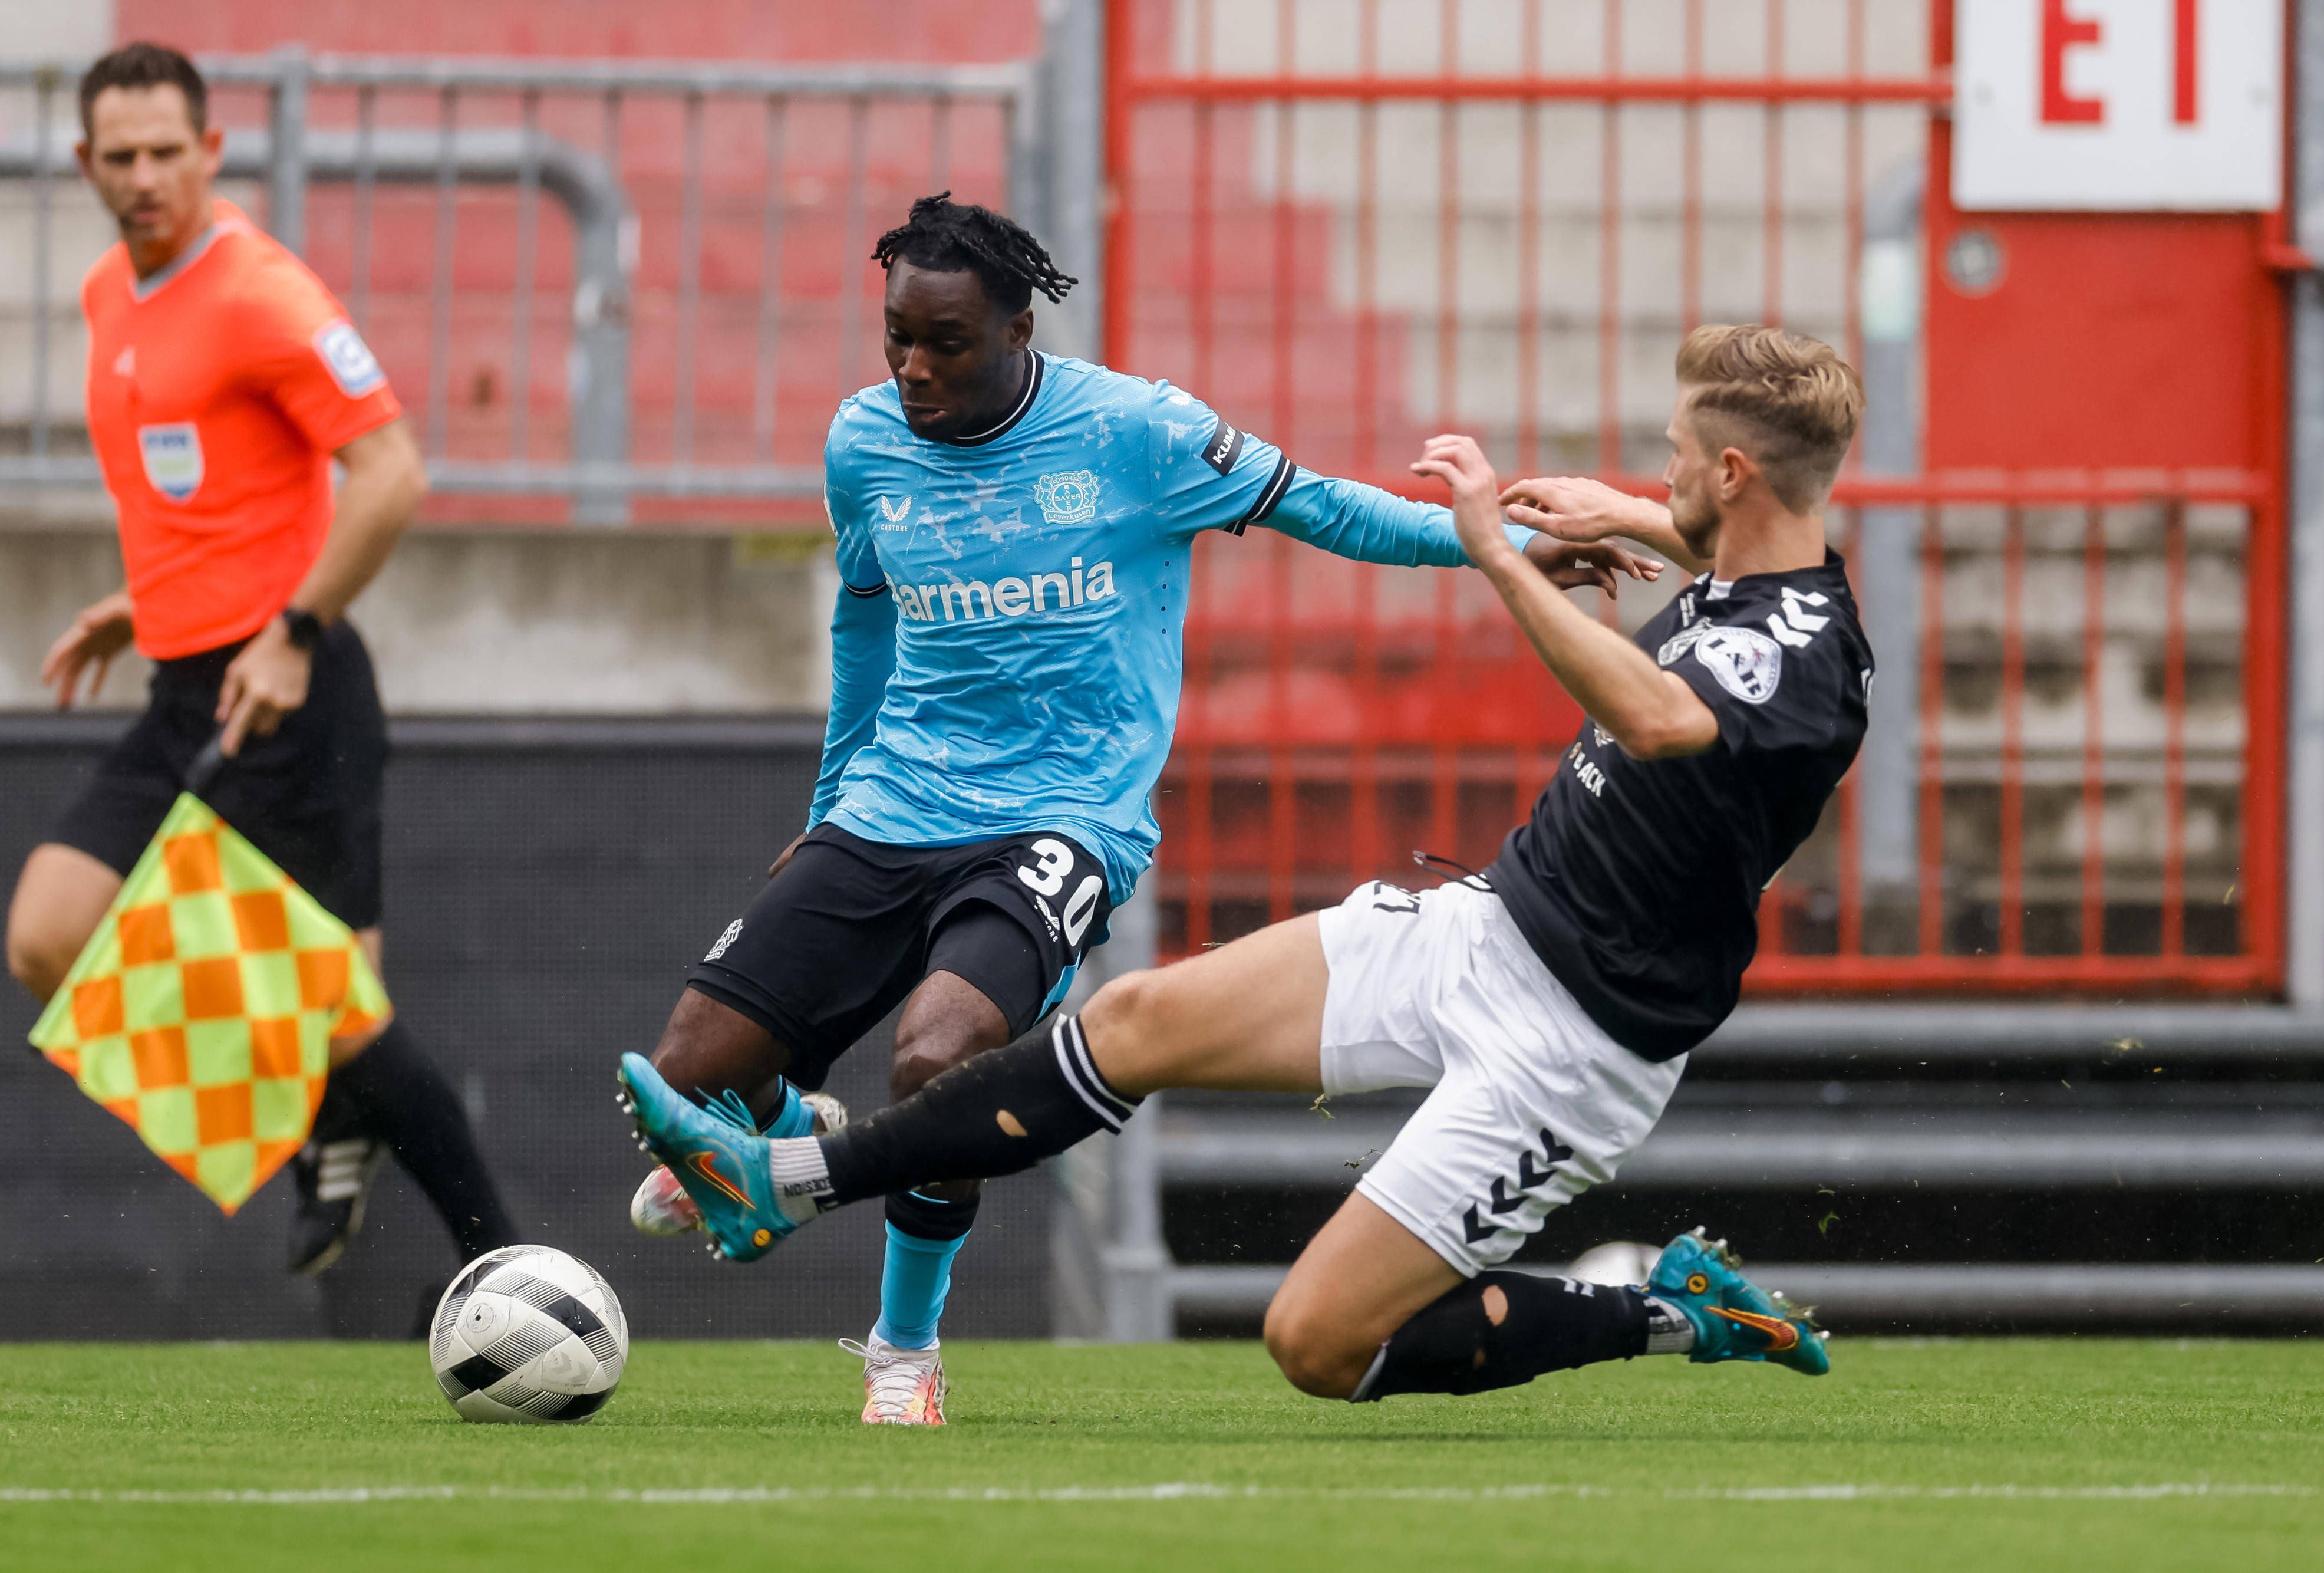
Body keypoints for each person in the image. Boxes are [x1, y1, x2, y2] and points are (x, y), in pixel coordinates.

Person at [620, 323, 1873, 1403]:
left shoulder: (1798, 661)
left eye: (1669, 457)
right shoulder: (1768, 568)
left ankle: (1661, 1309)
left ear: (1730, 467)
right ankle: (782, 1177)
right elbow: (1738, 560)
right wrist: (1638, 513)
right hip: (1487, 926)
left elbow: (1660, 718)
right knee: (1141, 1015)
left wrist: (1494, 552)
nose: (1651, 472)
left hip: (1579, 1041)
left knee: (1317, 1342)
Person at [4, 43, 518, 1282]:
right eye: (119, 157)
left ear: (212, 152)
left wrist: (290, 631)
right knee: (47, 932)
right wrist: (148, 600)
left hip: (293, 692)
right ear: (84, 164)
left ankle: (501, 1258)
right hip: (186, 684)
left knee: (347, 1018)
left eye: (166, 153)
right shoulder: (105, 295)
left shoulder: (260, 292)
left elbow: (391, 474)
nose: (144, 177)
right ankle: (316, 1117)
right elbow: (219, 493)